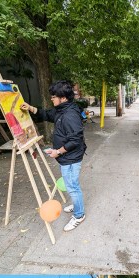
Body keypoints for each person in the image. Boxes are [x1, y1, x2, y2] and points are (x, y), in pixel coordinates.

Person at [21, 80, 87, 232]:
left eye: (53, 96)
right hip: (67, 157)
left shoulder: (70, 115)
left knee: (72, 186)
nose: (51, 98)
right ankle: (78, 205)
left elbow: (75, 140)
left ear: (62, 97)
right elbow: (47, 114)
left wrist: (58, 151)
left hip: (71, 158)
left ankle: (79, 214)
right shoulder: (63, 109)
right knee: (71, 185)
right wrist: (30, 108)